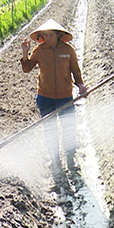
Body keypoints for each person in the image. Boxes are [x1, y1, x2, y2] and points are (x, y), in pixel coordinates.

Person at [20, 19, 87, 172]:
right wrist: (25, 53)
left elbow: (75, 70)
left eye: (51, 35)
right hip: (45, 97)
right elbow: (27, 68)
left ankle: (71, 160)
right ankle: (55, 161)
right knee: (50, 130)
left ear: (58, 35)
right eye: (45, 35)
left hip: (65, 97)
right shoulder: (39, 51)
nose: (48, 38)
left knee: (68, 128)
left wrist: (81, 85)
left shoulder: (68, 50)